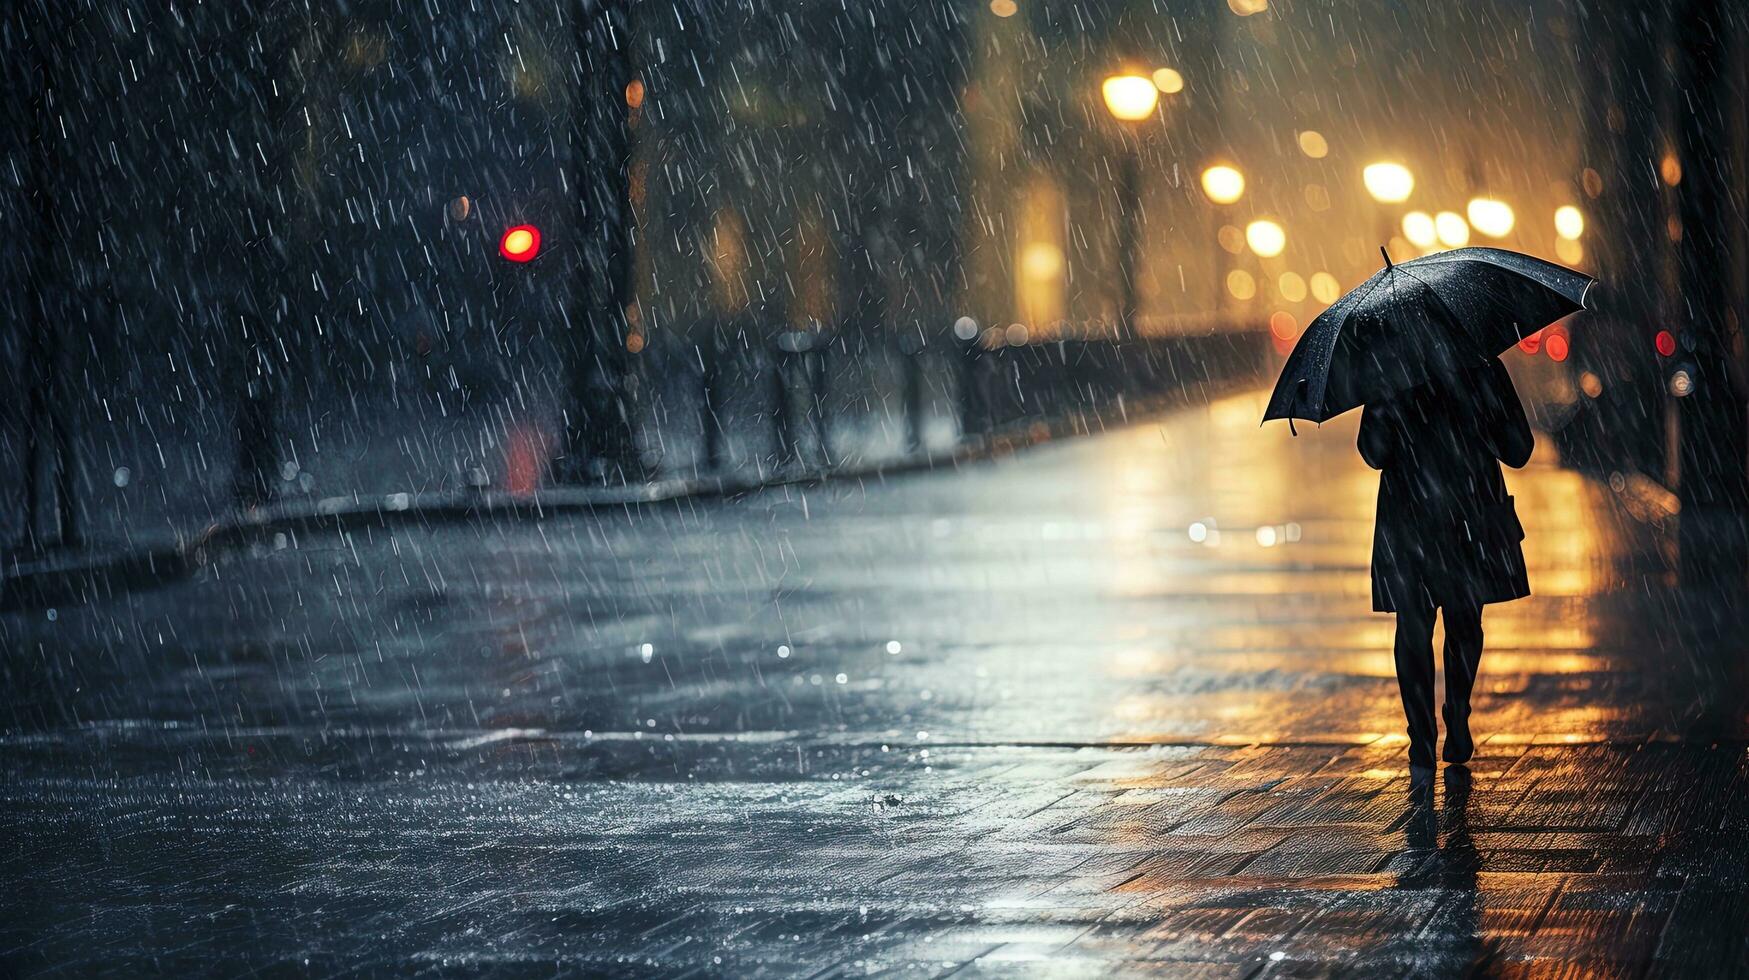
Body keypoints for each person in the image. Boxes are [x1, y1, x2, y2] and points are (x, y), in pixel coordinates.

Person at [1358, 356, 1532, 775]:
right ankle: (1456, 711)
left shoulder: (1391, 367)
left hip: (1409, 518)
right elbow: (1518, 448)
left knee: (1414, 626)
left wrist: (1390, 406)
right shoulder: (1481, 363)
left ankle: (1421, 735)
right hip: (1467, 511)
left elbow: (1373, 452)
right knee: (1464, 621)